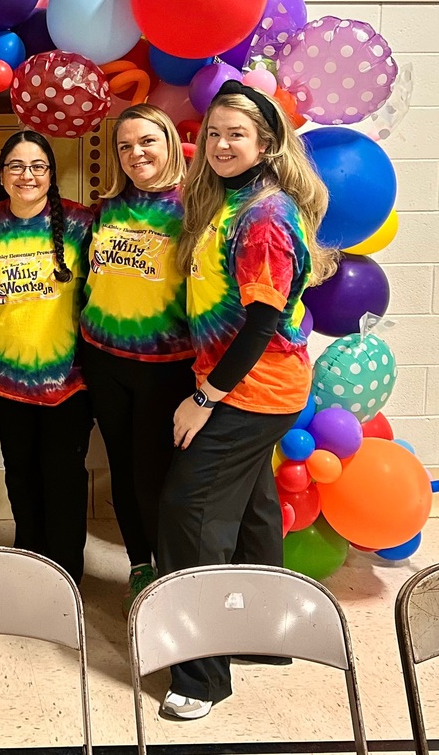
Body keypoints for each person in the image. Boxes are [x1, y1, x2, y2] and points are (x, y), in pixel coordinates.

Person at [158, 79, 336, 720]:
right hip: (252, 387)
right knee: (257, 509)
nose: (223, 143)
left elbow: (261, 322)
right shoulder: (233, 203)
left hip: (251, 392)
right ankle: (265, 636)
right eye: (214, 133)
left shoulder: (263, 215)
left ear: (266, 144)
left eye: (238, 134)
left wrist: (204, 398)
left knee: (190, 515)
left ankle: (201, 678)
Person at [79, 104, 195, 616]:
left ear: (169, 141)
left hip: (165, 365)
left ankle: (172, 574)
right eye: (125, 146)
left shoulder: (194, 208)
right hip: (105, 359)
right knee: (122, 470)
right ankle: (139, 564)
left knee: (154, 475)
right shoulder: (107, 208)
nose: (135, 154)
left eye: (146, 141)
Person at [0, 130, 94, 584]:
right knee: (20, 475)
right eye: (16, 166)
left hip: (69, 383)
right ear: (2, 175)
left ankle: (66, 576)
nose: (27, 175)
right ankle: (31, 564)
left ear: (51, 174)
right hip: (6, 379)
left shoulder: (81, 224)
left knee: (63, 479)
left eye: (37, 166)